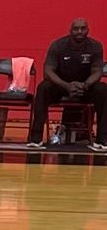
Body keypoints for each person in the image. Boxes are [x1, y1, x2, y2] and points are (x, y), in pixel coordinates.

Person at [26, 18, 106, 149]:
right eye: (76, 28)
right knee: (43, 87)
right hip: (61, 86)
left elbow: (97, 71)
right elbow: (48, 71)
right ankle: (36, 138)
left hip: (85, 87)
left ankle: (102, 139)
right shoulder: (58, 45)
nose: (79, 31)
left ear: (88, 30)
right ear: (70, 30)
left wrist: (85, 85)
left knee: (103, 90)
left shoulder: (95, 46)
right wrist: (66, 86)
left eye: (82, 28)